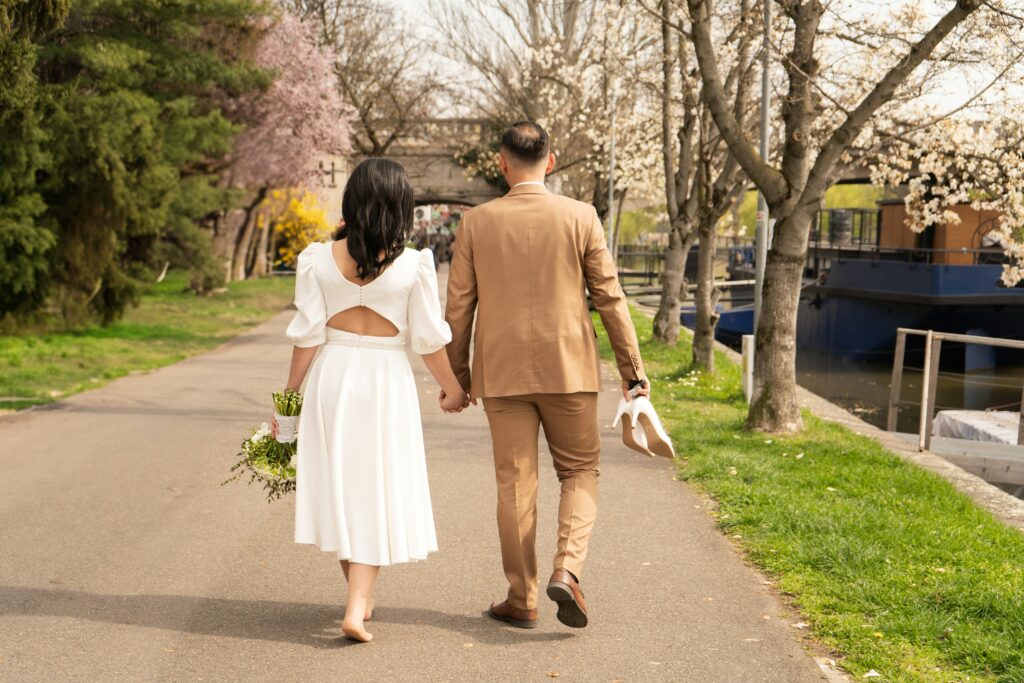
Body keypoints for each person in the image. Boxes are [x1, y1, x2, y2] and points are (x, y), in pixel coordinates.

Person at [445, 121, 649, 630]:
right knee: (579, 471)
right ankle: (567, 568)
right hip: (569, 367)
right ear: (551, 161)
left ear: (502, 163)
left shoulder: (476, 222)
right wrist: (632, 371)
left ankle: (523, 598)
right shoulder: (581, 216)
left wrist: (458, 375)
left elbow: (458, 308)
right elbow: (609, 296)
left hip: (503, 371)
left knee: (516, 484)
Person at [277, 158, 470, 643]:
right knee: (375, 488)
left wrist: (289, 400)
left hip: (332, 375)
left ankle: (360, 597)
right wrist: (452, 388)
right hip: (385, 380)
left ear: (352, 202)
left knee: (345, 487)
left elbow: (306, 337)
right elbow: (428, 341)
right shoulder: (414, 265)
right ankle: (356, 606)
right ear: (402, 205)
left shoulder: (319, 259)